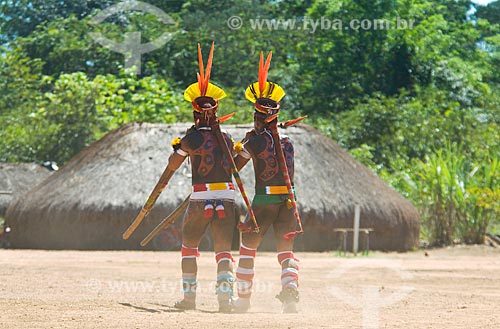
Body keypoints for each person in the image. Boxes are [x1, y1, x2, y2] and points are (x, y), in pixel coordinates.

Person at [167, 43, 236, 313]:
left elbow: (174, 164)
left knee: (189, 248)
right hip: (227, 196)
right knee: (223, 252)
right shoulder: (228, 138)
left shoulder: (192, 137)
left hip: (200, 198)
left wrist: (179, 148)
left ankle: (189, 299)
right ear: (216, 113)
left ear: (196, 114)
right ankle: (224, 299)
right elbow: (233, 167)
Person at [232, 51, 301, 313]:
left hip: (263, 202)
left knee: (248, 247)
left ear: (258, 117)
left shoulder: (255, 140)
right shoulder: (288, 141)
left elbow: (233, 167)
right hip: (288, 201)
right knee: (286, 252)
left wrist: (241, 145)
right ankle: (290, 294)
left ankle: (243, 300)